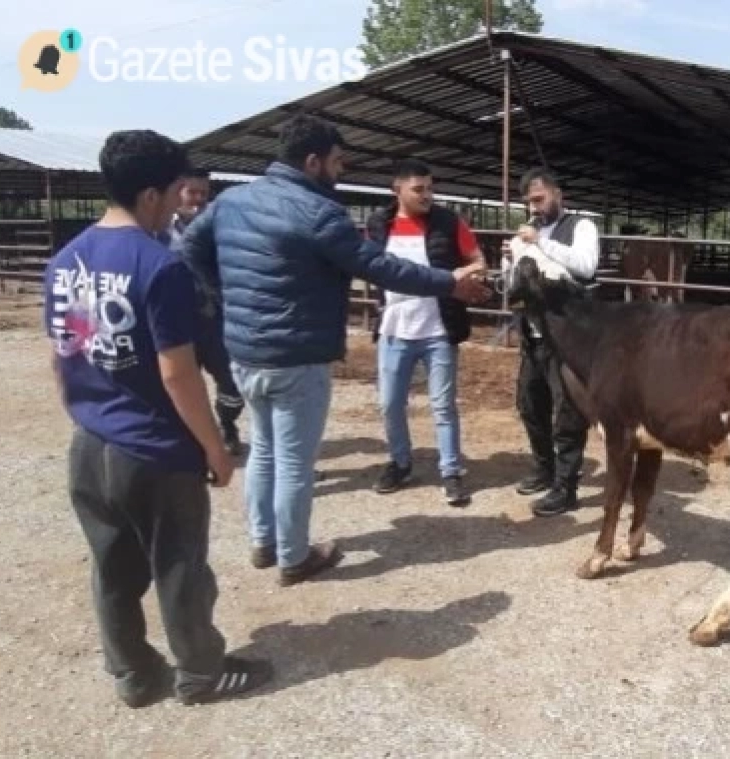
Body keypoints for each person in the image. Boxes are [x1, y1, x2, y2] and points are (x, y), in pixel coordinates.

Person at [181, 114, 490, 585]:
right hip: (296, 355)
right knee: (295, 461)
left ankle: (263, 542)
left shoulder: (231, 201)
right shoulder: (318, 213)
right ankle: (294, 556)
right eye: (337, 161)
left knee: (262, 449)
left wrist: (229, 299)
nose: (340, 171)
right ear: (312, 162)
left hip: (244, 352)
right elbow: (381, 268)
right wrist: (449, 283)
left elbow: (189, 250)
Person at [43, 130, 272, 707]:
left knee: (113, 568)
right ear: (151, 194)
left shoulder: (65, 260)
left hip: (92, 442)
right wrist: (214, 449)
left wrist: (82, 410)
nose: (179, 202)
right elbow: (179, 374)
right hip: (154, 450)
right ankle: (201, 673)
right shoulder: (160, 267)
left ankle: (135, 675)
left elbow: (63, 353)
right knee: (179, 568)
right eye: (175, 192)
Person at [365, 159, 484, 506]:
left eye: (430, 188)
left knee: (443, 405)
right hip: (394, 329)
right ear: (397, 190)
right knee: (390, 404)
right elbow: (368, 265)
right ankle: (400, 462)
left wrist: (464, 277)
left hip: (438, 329)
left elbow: (478, 261)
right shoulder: (379, 224)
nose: (427, 195)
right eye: (419, 189)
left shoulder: (449, 222)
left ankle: (451, 471)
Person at [506, 168, 600, 516]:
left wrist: (539, 242)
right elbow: (516, 286)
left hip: (568, 339)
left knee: (568, 412)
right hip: (533, 335)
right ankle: (544, 469)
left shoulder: (581, 226)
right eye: (529, 201)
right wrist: (510, 261)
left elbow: (587, 267)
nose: (534, 206)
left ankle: (566, 487)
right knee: (530, 404)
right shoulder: (526, 234)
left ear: (558, 194)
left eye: (540, 198)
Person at [157, 167, 244, 456]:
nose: (198, 199)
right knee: (181, 381)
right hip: (176, 322)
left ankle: (228, 425)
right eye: (192, 192)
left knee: (232, 384)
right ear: (178, 191)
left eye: (204, 194)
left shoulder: (221, 228)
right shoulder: (158, 231)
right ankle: (192, 438)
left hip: (215, 319)